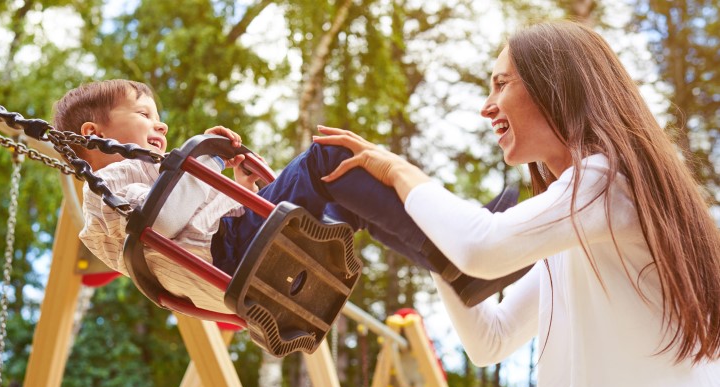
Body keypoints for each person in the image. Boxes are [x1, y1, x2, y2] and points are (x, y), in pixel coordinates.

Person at [313, 20, 720, 387]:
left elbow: (483, 248)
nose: (487, 106)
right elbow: (491, 339)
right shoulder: (579, 229)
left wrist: (398, 170)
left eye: (501, 84)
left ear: (555, 86)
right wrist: (428, 240)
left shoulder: (609, 181)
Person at [52, 79, 519, 315]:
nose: (161, 125)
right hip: (231, 254)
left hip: (234, 252)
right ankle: (460, 243)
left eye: (159, 116)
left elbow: (196, 217)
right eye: (143, 113)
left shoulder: (150, 174)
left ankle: (454, 265)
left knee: (349, 196)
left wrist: (241, 186)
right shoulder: (109, 184)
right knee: (329, 158)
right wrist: (205, 162)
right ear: (95, 134)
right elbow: (162, 221)